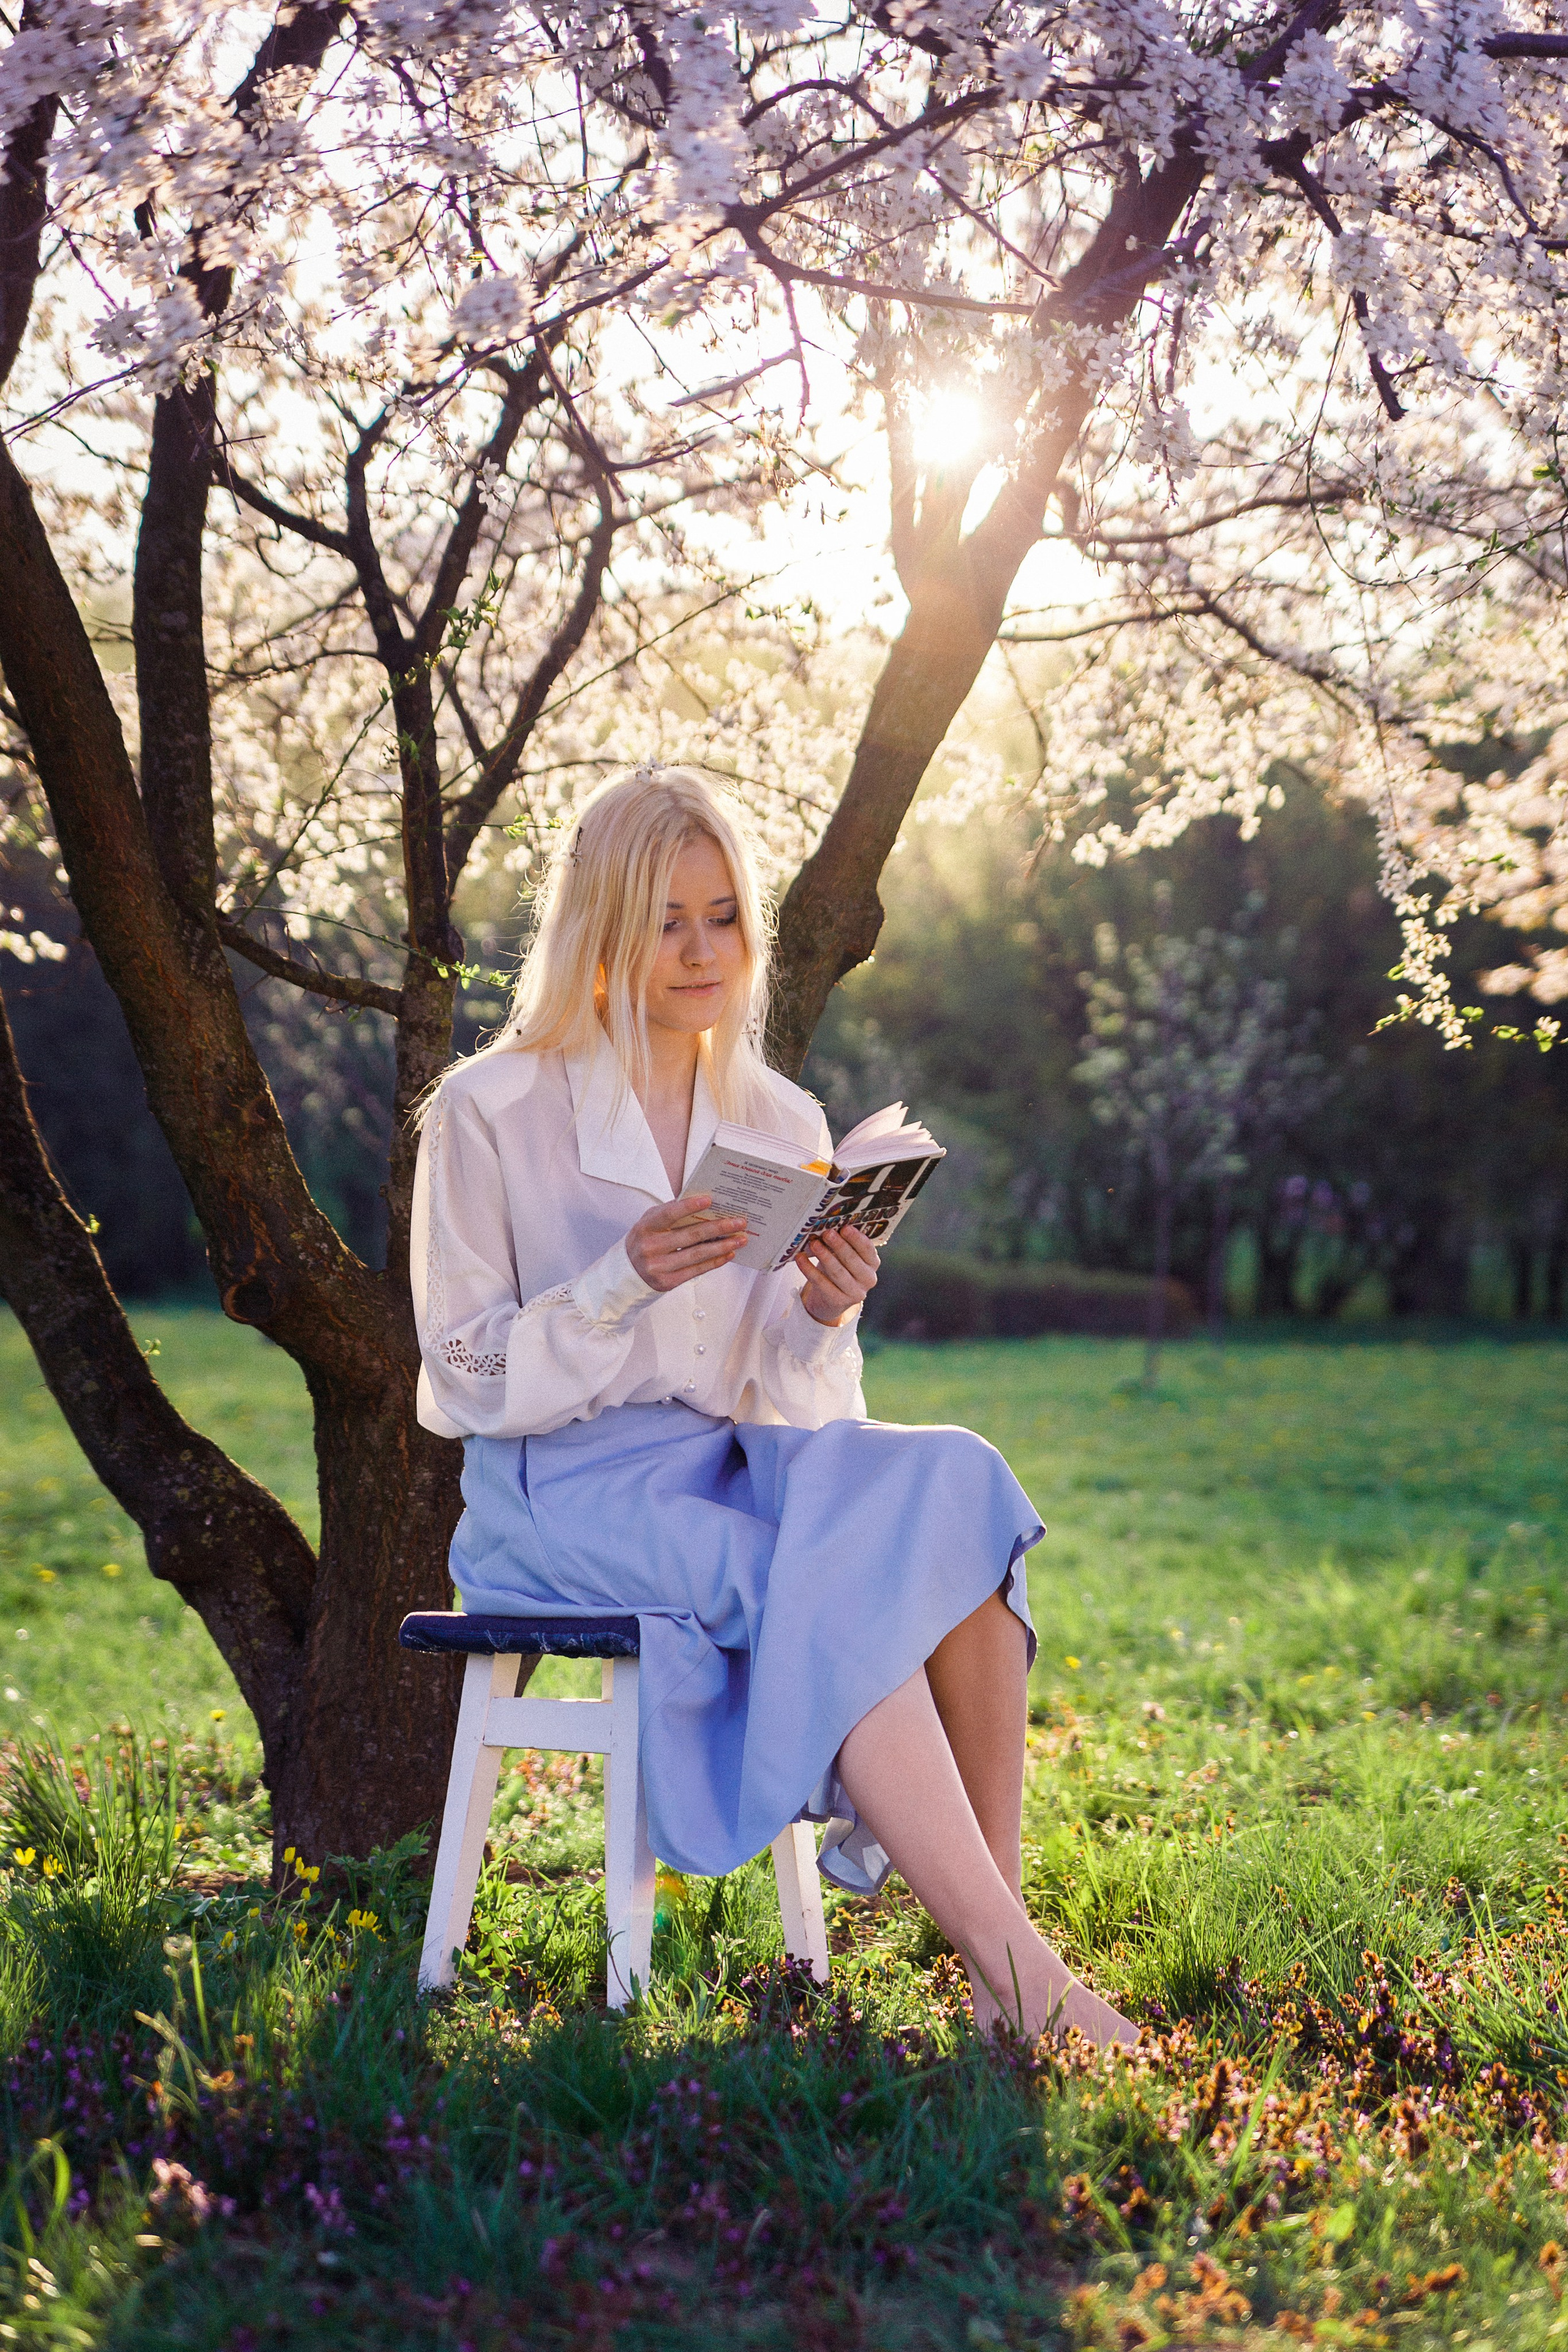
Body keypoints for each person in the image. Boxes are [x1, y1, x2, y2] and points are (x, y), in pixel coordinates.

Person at [412, 763, 1135, 2046]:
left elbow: (786, 1397)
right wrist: (615, 1281)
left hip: (728, 1456)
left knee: (956, 1481)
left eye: (722, 915)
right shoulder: (490, 1109)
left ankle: (992, 1961)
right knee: (806, 1569)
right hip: (555, 1490)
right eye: (665, 919)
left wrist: (821, 1307)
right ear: (602, 927)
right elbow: (458, 1374)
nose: (701, 949)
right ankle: (1032, 1986)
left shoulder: (776, 1118)